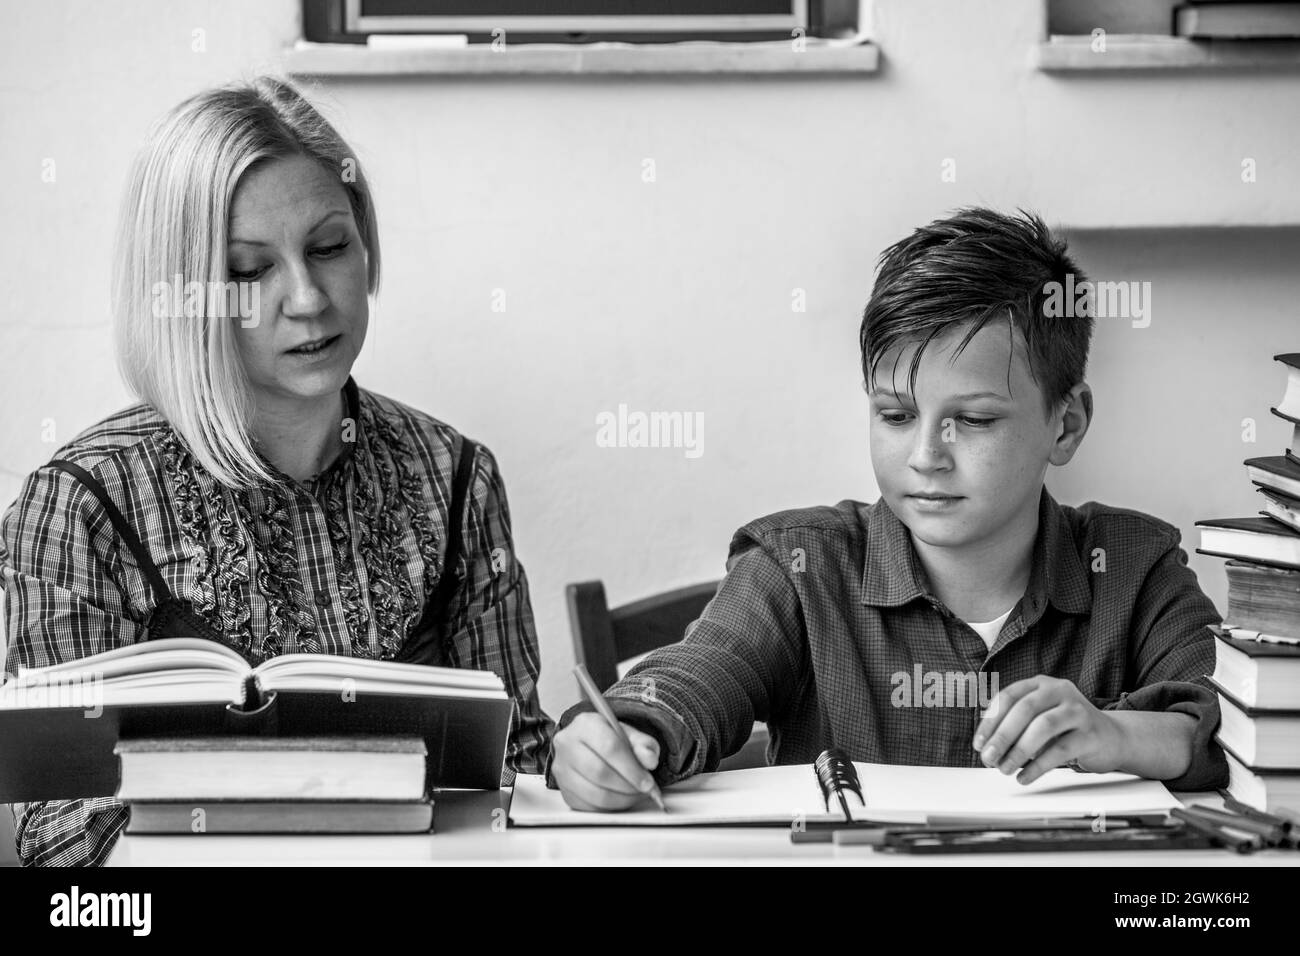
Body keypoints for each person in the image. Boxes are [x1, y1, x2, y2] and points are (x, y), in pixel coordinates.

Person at [2, 76, 553, 865]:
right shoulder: (83, 508)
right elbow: (65, 836)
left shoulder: (454, 476)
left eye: (329, 247)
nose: (305, 298)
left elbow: (520, 768)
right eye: (247, 271)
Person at [550, 207, 1228, 811]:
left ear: (1066, 424)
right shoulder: (798, 567)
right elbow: (698, 675)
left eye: (976, 420)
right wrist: (626, 735)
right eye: (897, 415)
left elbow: (1238, 728)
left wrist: (1117, 734)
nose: (926, 455)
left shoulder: (1135, 569)